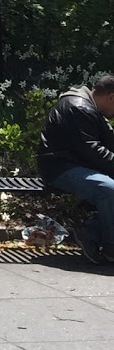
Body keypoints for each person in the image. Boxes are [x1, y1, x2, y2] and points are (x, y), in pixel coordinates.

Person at [39, 73, 114, 265]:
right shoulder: (79, 107)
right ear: (111, 97)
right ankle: (110, 248)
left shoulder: (90, 109)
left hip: (77, 165)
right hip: (59, 168)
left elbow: (108, 143)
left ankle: (89, 231)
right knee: (109, 189)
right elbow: (92, 149)